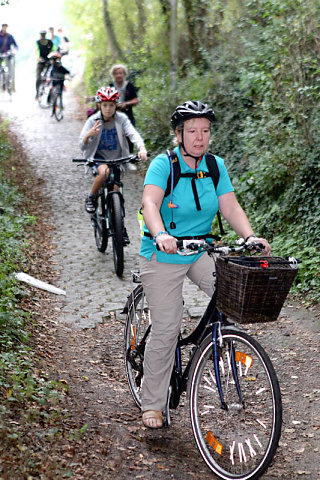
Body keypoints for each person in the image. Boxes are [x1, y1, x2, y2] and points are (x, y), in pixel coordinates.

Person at [139, 100, 271, 429]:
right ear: (178, 135)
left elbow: (230, 207)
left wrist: (250, 235)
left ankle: (216, 345)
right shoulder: (162, 165)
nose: (200, 137)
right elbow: (150, 204)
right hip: (164, 252)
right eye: (192, 131)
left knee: (230, 292)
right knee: (168, 328)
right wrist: (161, 234)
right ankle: (152, 402)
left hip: (200, 248)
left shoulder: (214, 166)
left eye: (206, 131)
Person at [79, 86, 147, 243]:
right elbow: (81, 145)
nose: (108, 109)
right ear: (99, 106)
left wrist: (141, 148)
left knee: (117, 192)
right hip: (98, 158)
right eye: (105, 105)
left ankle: (119, 227)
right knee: (104, 173)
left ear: (116, 105)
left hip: (116, 159)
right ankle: (91, 196)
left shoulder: (121, 119)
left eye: (111, 105)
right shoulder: (93, 120)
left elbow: (133, 133)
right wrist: (89, 135)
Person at [0, 23, 18, 91]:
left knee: (10, 72)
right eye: (3, 27)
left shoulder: (10, 36)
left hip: (8, 56)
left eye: (6, 27)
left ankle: (10, 87)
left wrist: (14, 51)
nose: (4, 28)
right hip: (0, 56)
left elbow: (16, 46)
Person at [35, 30, 53, 98]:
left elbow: (54, 50)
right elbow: (36, 51)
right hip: (41, 61)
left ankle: (50, 95)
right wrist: (38, 57)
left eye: (44, 34)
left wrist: (52, 56)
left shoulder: (49, 42)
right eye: (41, 34)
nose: (43, 35)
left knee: (51, 77)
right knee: (38, 77)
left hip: (49, 61)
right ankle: (37, 93)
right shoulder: (38, 42)